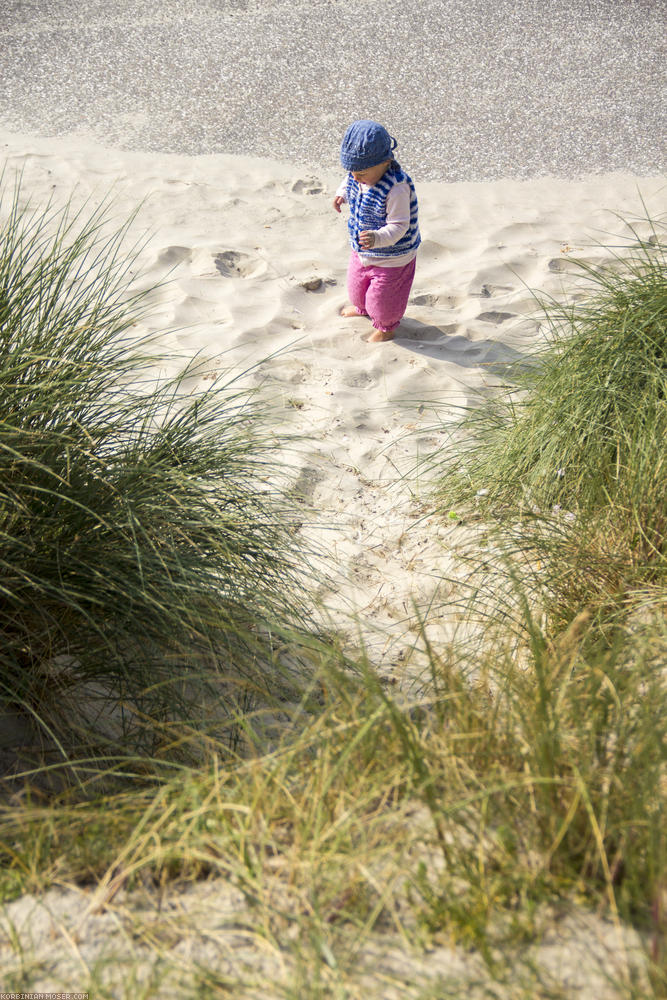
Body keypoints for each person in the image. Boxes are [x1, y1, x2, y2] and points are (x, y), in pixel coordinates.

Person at [333, 119, 421, 342]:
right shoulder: (359, 174)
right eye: (351, 171)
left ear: (385, 162)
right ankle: (362, 309)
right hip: (362, 249)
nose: (355, 177)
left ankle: (386, 327)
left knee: (384, 301)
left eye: (361, 173)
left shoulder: (396, 187)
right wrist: (342, 193)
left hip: (393, 257)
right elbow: (348, 181)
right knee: (356, 289)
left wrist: (377, 237)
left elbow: (399, 225)